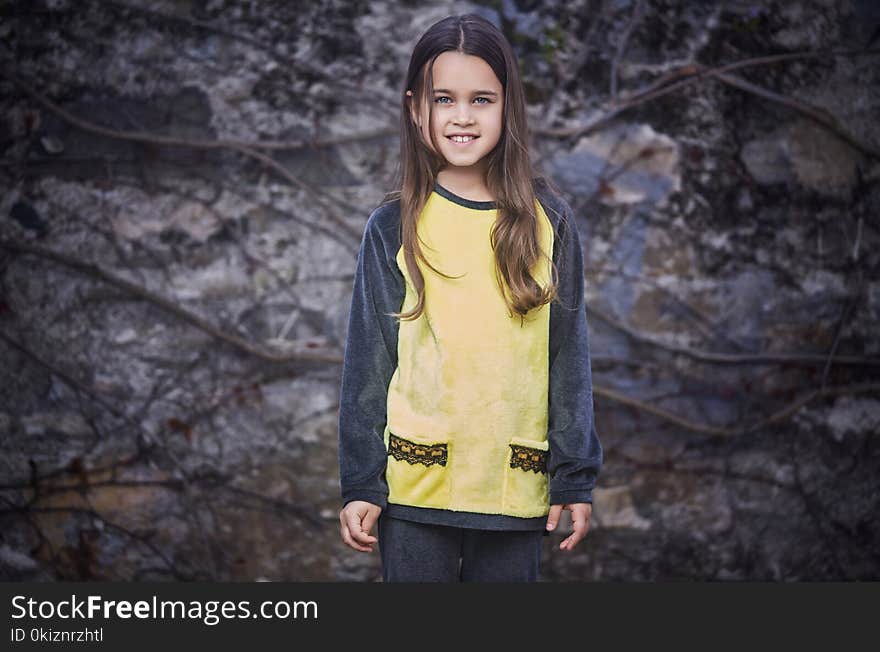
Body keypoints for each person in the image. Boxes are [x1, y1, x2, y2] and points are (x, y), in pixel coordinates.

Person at [337, 13, 603, 582]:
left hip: (514, 486)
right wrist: (361, 483)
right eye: (444, 99)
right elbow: (369, 364)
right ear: (416, 108)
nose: (462, 116)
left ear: (508, 107)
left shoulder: (547, 221)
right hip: (415, 491)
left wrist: (574, 475)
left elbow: (568, 357)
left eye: (481, 99)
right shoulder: (392, 226)